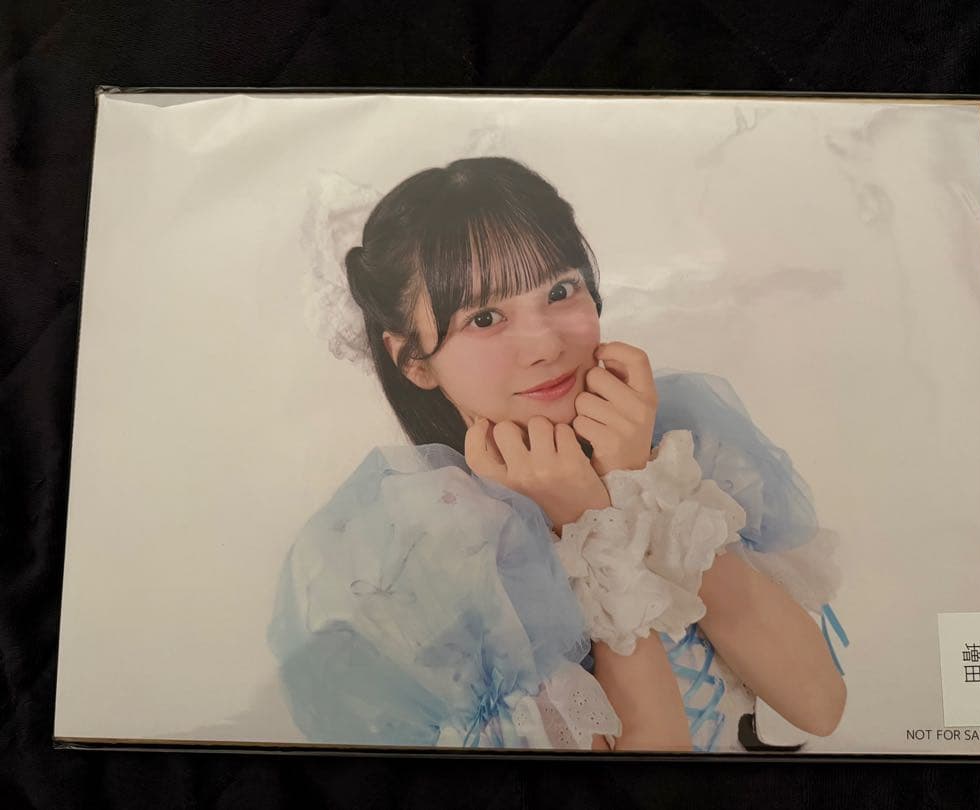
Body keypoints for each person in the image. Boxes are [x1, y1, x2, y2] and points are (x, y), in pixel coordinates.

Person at [269, 156, 846, 752]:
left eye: (560, 291)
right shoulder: (429, 559)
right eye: (485, 317)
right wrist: (590, 528)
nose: (546, 343)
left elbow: (819, 706)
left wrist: (639, 486)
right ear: (414, 360)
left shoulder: (670, 451)